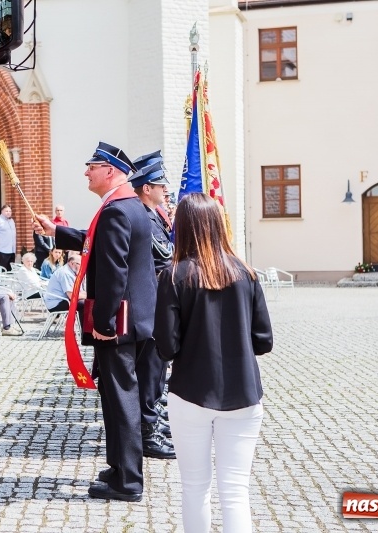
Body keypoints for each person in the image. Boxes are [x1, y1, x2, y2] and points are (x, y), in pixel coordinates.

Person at [34, 141, 156, 502]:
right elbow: (95, 241)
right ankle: (118, 467)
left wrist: (103, 323)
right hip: (134, 318)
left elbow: (114, 274)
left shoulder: (116, 210)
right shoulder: (127, 205)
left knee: (121, 398)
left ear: (110, 171)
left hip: (118, 322)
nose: (86, 172)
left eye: (92, 166)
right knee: (116, 396)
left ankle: (128, 481)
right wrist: (56, 231)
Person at [154, 192, 272, 532]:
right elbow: (264, 341)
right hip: (243, 392)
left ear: (183, 228)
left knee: (195, 489)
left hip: (190, 392)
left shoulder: (174, 276)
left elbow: (166, 347)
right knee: (235, 491)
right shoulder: (246, 273)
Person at [129, 153, 175, 460]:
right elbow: (163, 258)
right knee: (149, 371)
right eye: (161, 186)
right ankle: (147, 432)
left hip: (160, 303)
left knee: (158, 369)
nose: (165, 190)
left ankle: (154, 419)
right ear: (147, 188)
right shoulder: (141, 216)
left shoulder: (154, 214)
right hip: (150, 306)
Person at [43, 254, 85, 324]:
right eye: (80, 264)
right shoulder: (65, 273)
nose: (81, 267)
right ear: (72, 263)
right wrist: (88, 295)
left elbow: (80, 291)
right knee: (85, 304)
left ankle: (85, 328)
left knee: (87, 302)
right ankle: (84, 329)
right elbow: (72, 295)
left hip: (62, 300)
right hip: (56, 304)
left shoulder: (71, 271)